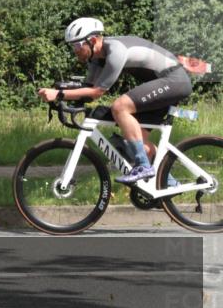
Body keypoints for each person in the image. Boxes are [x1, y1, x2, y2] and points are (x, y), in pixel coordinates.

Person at [36, 17, 192, 184]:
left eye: (77, 45)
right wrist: (63, 93)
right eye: (72, 46)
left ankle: (143, 167)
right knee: (132, 141)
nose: (75, 50)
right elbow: (87, 90)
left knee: (120, 107)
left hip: (174, 80)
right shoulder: (96, 60)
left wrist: (59, 94)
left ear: (93, 40)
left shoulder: (115, 51)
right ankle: (169, 186)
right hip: (160, 85)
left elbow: (97, 92)